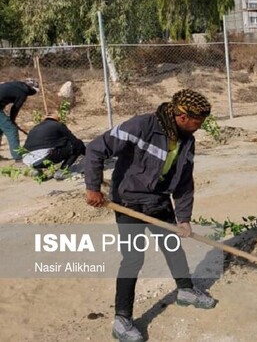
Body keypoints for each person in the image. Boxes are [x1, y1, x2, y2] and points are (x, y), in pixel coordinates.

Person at [84, 89, 216, 342]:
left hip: (158, 200)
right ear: (181, 115)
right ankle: (122, 319)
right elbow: (95, 149)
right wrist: (92, 188)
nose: (199, 127)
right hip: (128, 202)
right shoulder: (141, 126)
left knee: (173, 247)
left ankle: (186, 290)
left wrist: (184, 218)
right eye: (197, 122)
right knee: (133, 259)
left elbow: (184, 181)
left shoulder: (187, 139)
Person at [23, 114, 86, 180]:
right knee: (78, 144)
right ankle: (62, 172)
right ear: (57, 119)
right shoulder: (58, 125)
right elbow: (74, 141)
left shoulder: (35, 127)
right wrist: (89, 154)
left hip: (27, 160)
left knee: (42, 149)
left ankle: (36, 170)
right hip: (44, 158)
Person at [0, 79, 39, 160]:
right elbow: (15, 108)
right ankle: (18, 157)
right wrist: (12, 120)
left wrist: (11, 119)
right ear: (30, 89)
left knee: (1, 128)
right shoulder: (22, 93)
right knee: (11, 129)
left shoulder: (15, 84)